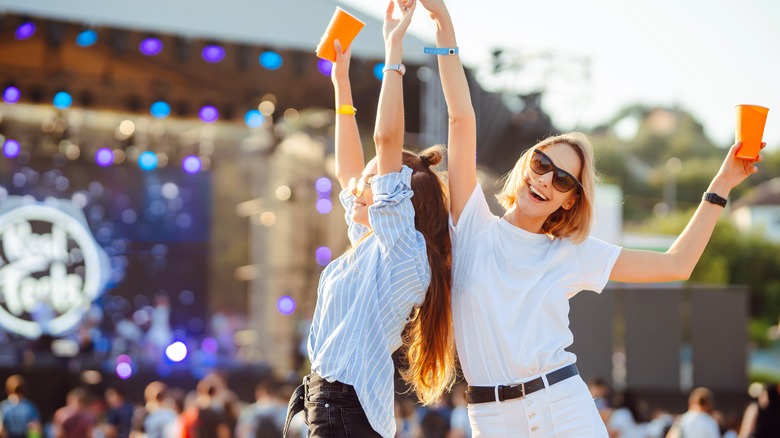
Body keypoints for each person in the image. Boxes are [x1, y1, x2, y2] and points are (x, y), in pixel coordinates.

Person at [419, 0, 765, 435]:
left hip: (563, 407)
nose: (546, 179)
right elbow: (461, 117)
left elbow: (677, 264)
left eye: (563, 180)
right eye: (543, 164)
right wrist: (442, 22)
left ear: (569, 201)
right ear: (528, 162)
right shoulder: (471, 224)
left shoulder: (570, 253)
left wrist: (722, 184)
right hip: (491, 417)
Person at [283, 1, 454, 437]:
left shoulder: (403, 251)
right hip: (330, 405)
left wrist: (392, 50)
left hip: (345, 409)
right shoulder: (372, 243)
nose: (359, 188)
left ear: (397, 201)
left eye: (373, 185)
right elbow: (348, 169)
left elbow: (385, 139)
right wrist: (341, 83)